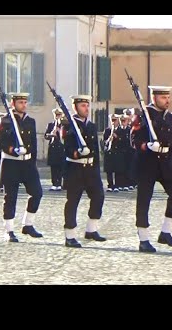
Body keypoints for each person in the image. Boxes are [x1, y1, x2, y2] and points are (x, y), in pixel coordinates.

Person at [131, 85, 172, 253]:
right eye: (163, 98)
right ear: (154, 98)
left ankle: (166, 232)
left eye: (168, 97)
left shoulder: (170, 117)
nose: (167, 100)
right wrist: (146, 145)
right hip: (148, 163)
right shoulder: (143, 114)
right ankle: (144, 239)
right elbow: (133, 139)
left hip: (166, 161)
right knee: (144, 201)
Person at [0, 93, 43, 242]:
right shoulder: (5, 120)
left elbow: (34, 144)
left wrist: (33, 163)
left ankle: (28, 224)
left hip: (27, 164)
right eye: (21, 102)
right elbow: (1, 143)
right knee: (10, 197)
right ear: (13, 104)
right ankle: (9, 230)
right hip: (11, 164)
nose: (24, 105)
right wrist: (13, 150)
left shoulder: (30, 121)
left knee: (37, 193)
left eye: (25, 102)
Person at [62, 95, 106, 248]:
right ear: (75, 107)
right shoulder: (68, 124)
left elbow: (94, 149)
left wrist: (97, 169)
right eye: (83, 106)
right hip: (75, 169)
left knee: (99, 196)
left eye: (87, 106)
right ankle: (70, 235)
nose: (86, 109)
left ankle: (91, 229)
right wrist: (77, 153)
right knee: (73, 202)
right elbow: (66, 149)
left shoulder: (91, 126)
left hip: (91, 170)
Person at [44, 108, 66, 191]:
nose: (57, 117)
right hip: (53, 148)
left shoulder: (64, 125)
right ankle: (54, 184)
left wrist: (60, 131)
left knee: (61, 167)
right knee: (53, 167)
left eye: (59, 115)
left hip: (61, 148)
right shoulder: (51, 125)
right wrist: (51, 134)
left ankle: (59, 183)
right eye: (56, 115)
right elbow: (46, 136)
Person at [103, 114, 121, 192]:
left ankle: (117, 185)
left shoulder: (120, 130)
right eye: (112, 120)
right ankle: (110, 185)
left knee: (117, 169)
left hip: (117, 152)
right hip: (109, 152)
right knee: (109, 170)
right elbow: (104, 142)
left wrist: (117, 137)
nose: (113, 122)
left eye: (115, 120)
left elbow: (124, 142)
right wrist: (109, 139)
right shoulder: (107, 130)